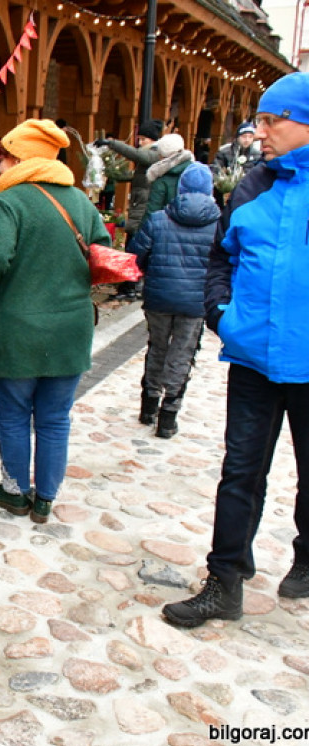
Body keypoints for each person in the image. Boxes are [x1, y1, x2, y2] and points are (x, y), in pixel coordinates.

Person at [162, 72, 309, 628]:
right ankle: (224, 581)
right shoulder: (253, 185)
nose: (260, 131)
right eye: (260, 120)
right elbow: (221, 257)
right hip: (252, 358)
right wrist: (223, 315)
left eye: (274, 121)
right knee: (240, 471)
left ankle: (308, 557)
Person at [0, 119, 110, 523]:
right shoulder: (80, 201)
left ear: (23, 158)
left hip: (16, 330)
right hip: (70, 328)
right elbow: (102, 250)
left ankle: (15, 492)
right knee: (54, 417)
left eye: (5, 155)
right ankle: (45, 497)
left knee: (13, 413)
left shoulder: (10, 202)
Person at [127, 162, 220, 438]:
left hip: (159, 296)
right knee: (182, 353)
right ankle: (168, 416)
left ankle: (148, 406)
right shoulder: (219, 225)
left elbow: (137, 254)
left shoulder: (158, 219)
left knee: (157, 347)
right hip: (195, 302)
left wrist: (150, 274)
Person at [93, 119, 164, 299]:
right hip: (139, 205)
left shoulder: (156, 154)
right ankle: (129, 283)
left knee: (136, 246)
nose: (140, 143)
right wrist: (113, 174)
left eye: (143, 139)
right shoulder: (150, 158)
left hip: (144, 208)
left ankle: (131, 285)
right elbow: (137, 176)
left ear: (152, 140)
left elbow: (139, 156)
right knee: (133, 245)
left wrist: (111, 143)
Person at [143, 133, 193, 223]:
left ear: (162, 155)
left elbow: (152, 213)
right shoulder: (195, 172)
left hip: (166, 228)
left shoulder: (161, 179)